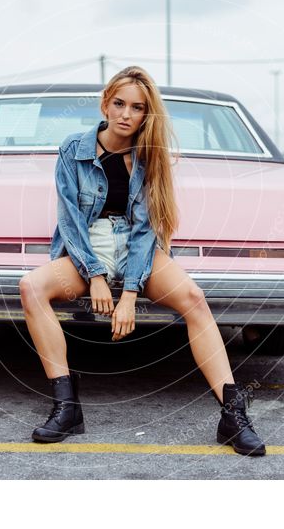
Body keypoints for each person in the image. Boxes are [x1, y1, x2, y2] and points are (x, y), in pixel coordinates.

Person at [18, 66, 265, 456]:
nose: (126, 114)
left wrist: (130, 292)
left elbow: (147, 228)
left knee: (194, 299)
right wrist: (96, 275)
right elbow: (69, 220)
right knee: (31, 287)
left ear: (147, 114)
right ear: (105, 102)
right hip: (89, 243)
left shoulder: (150, 157)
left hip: (138, 245)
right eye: (119, 103)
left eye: (137, 107)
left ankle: (233, 415)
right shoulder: (72, 149)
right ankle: (66, 407)